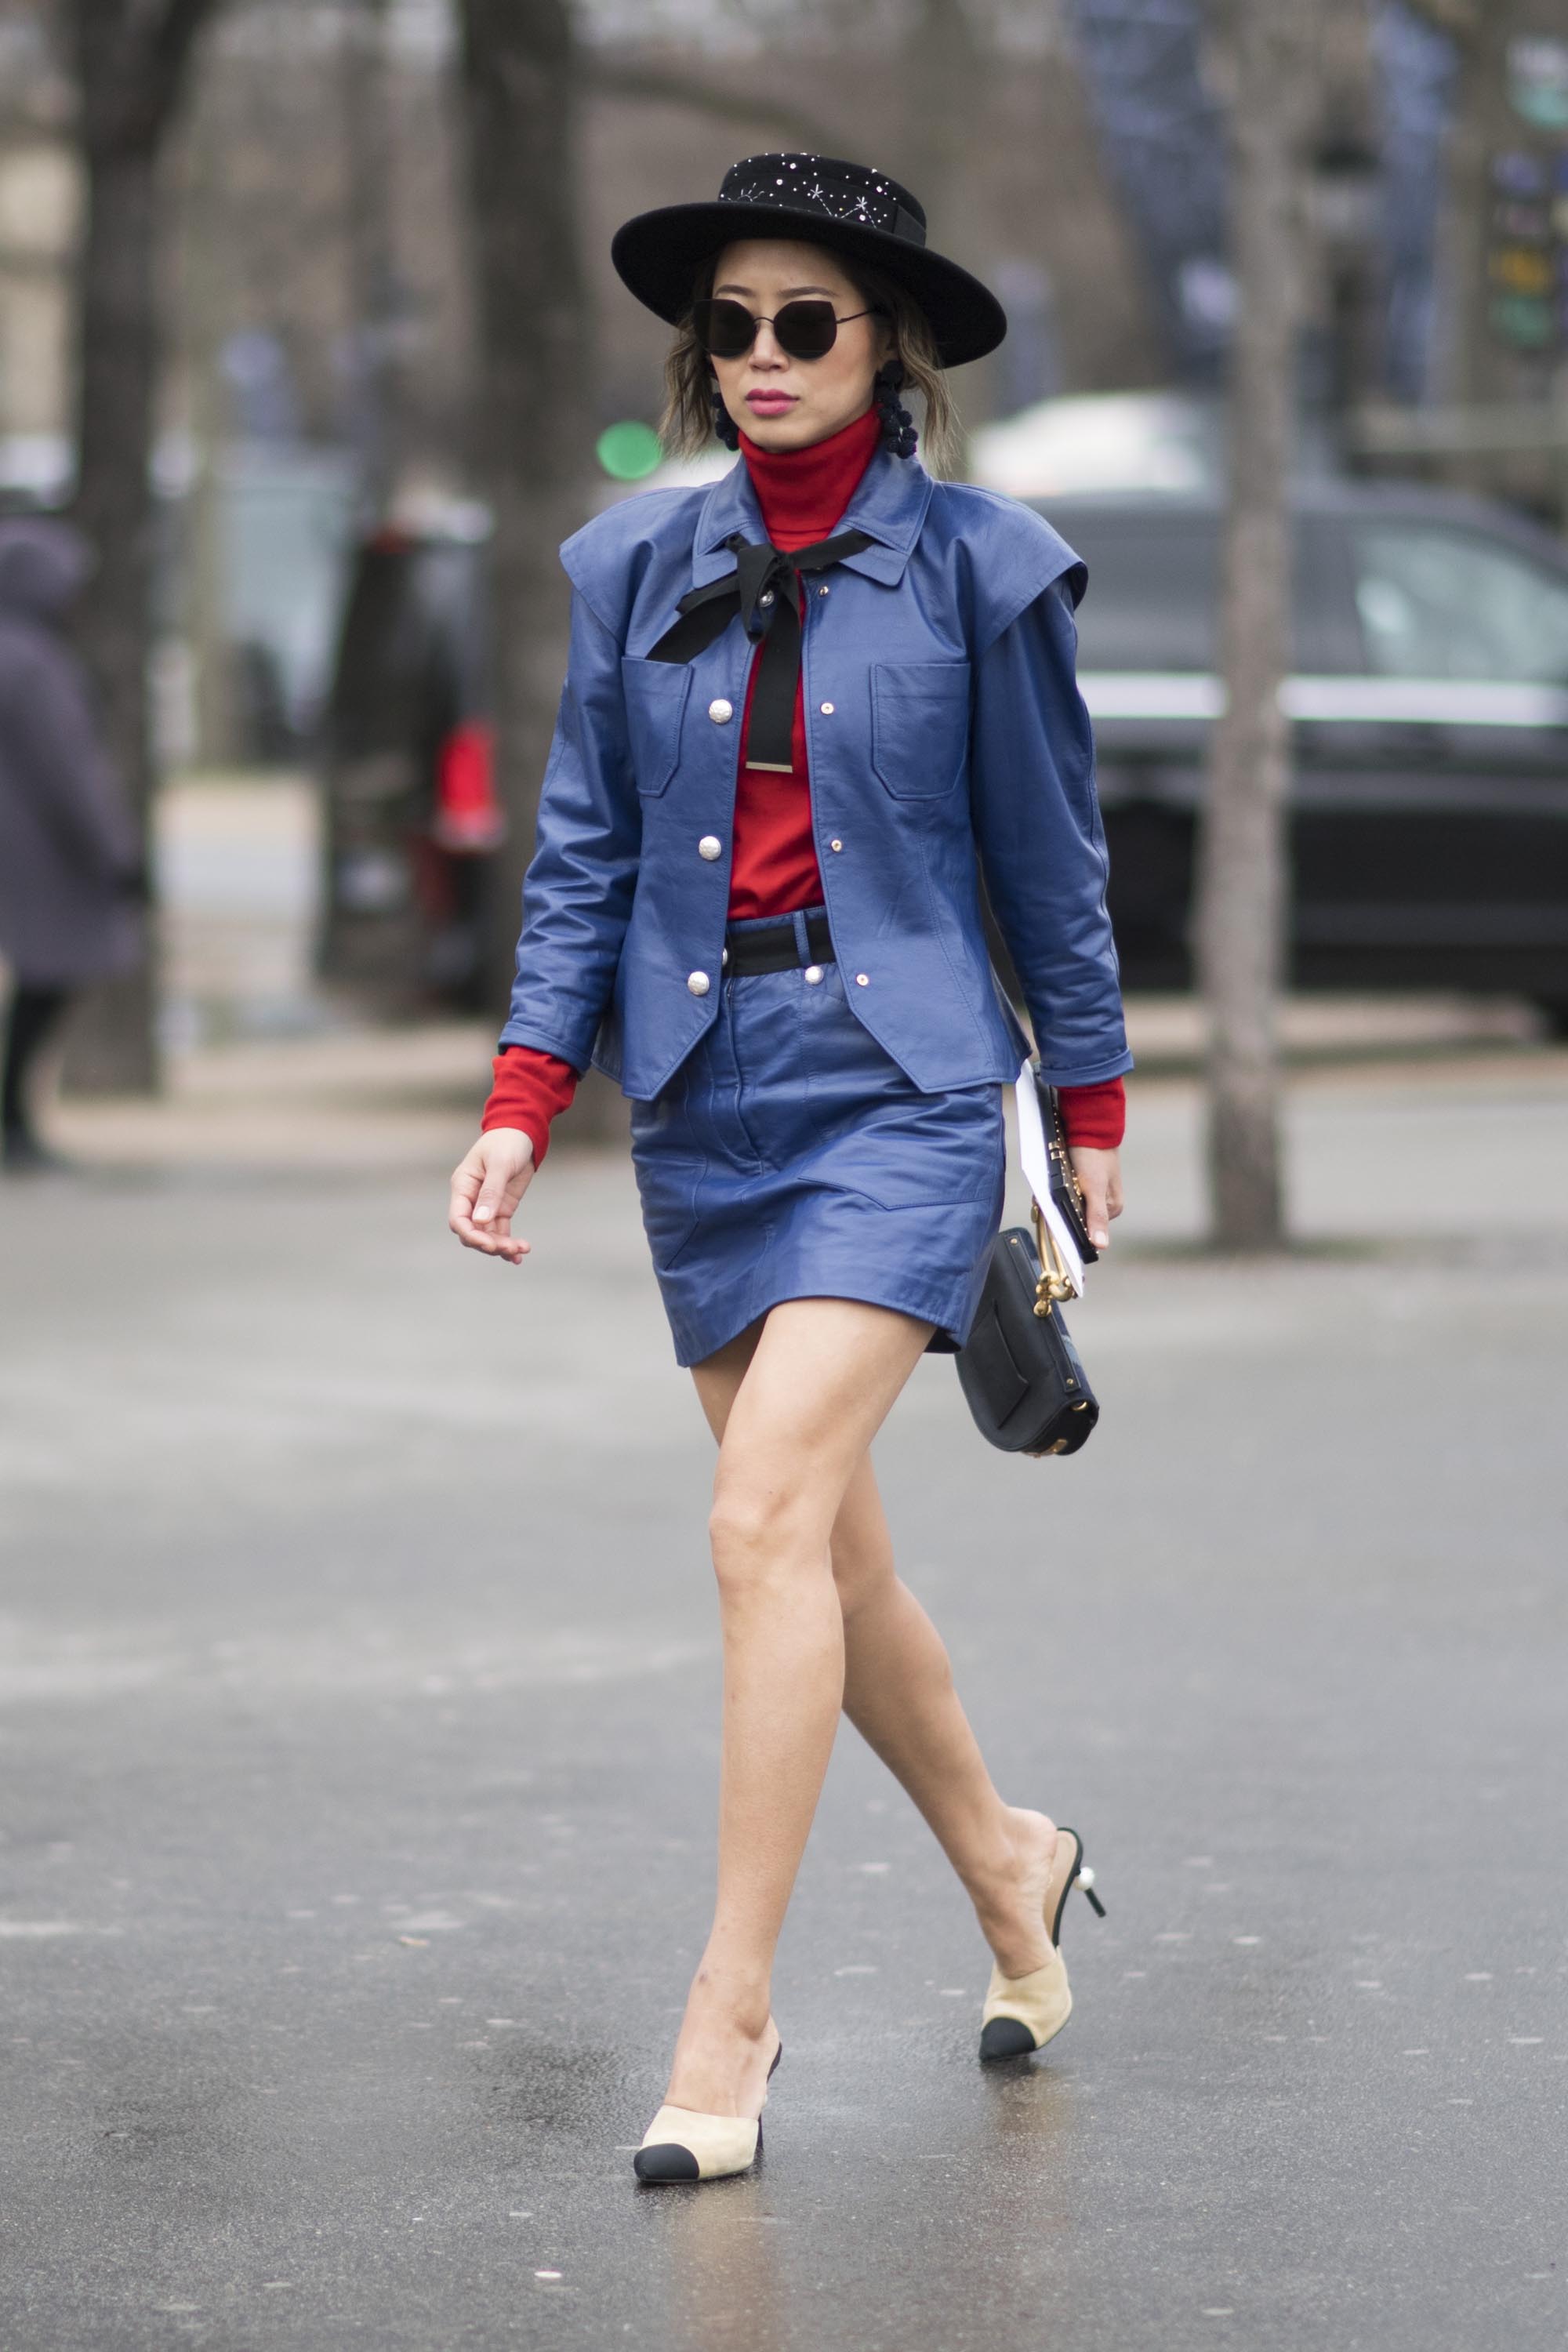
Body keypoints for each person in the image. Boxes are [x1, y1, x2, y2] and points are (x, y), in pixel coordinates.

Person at [448, 154, 1131, 2183]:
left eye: (803, 323)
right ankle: (1015, 1865)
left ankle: (731, 2012)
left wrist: (1087, 1108)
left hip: (906, 1084)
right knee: (831, 1554)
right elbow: (578, 853)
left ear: (889, 345)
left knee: (757, 1525)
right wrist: (516, 1092)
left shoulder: (985, 573)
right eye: (728, 326)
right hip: (707, 1099)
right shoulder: (628, 575)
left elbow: (1052, 860)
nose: (759, 359)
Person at [0, 517, 142, 1171]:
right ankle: (13, 1119)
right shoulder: (35, 663)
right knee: (49, 979)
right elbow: (70, 771)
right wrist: (114, 850)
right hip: (42, 853)